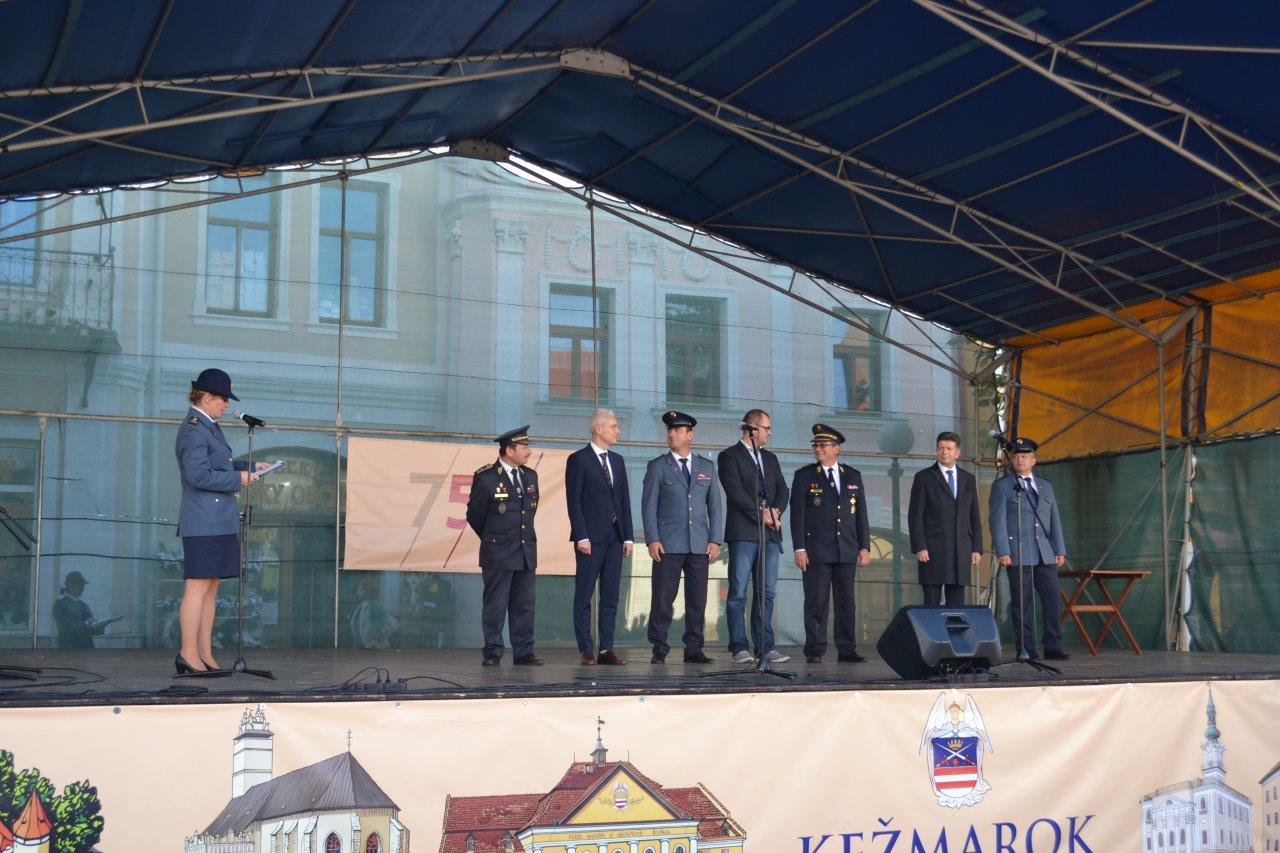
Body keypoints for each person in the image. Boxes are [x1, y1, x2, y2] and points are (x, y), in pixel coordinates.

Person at [174, 368, 269, 676]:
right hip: (203, 520)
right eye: (223, 399)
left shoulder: (208, 427)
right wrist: (239, 478)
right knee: (197, 586)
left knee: (211, 587)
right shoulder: (193, 429)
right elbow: (198, 475)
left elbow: (218, 465)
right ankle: (188, 653)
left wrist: (250, 466)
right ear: (206, 397)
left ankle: (204, 652)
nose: (227, 405)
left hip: (217, 520)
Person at [641, 411, 724, 664]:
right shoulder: (658, 466)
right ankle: (659, 648)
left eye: (677, 430)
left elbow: (715, 507)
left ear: (690, 435)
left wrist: (715, 540)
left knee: (697, 600)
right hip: (668, 544)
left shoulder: (706, 467)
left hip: (699, 543)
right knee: (663, 599)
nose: (672, 434)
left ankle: (694, 648)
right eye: (669, 430)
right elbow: (648, 507)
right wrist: (652, 539)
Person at [789, 424, 871, 664]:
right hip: (817, 550)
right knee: (816, 602)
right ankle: (815, 649)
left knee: (846, 604)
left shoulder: (852, 476)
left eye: (823, 445)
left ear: (837, 449)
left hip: (846, 548)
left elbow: (861, 515)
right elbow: (797, 516)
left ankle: (847, 649)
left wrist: (864, 546)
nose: (818, 449)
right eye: (816, 445)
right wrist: (799, 548)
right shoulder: (804, 476)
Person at [717, 409, 790, 664]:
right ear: (752, 428)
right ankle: (739, 647)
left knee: (766, 592)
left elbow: (783, 489)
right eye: (766, 428)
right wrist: (762, 514)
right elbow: (735, 492)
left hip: (770, 535)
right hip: (744, 534)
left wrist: (776, 510)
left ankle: (764, 646)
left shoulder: (770, 458)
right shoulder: (729, 456)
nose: (770, 432)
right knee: (738, 591)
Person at [465, 425, 542, 666]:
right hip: (498, 553)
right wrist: (494, 538)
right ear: (509, 450)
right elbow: (475, 516)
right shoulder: (487, 478)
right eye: (524, 447)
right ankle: (492, 652)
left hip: (525, 551)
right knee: (495, 605)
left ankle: (524, 652)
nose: (529, 451)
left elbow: (529, 513)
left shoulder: (530, 476)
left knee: (524, 605)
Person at [988, 437, 1070, 661]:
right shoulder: (1003, 486)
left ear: (1033, 460)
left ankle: (1053, 647)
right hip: (1018, 551)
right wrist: (1003, 551)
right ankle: (1027, 648)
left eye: (1024, 456)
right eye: (1016, 456)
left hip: (1045, 552)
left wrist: (1059, 549)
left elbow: (1054, 519)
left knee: (1053, 599)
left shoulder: (1045, 485)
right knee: (1022, 604)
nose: (1019, 460)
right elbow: (997, 521)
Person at [565, 409, 633, 665]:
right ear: (598, 429)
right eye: (614, 426)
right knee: (584, 594)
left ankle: (606, 649)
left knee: (611, 595)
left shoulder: (618, 460)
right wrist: (581, 535)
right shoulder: (579, 459)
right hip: (590, 539)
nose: (618, 430)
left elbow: (623, 500)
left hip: (615, 537)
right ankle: (586, 649)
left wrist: (628, 536)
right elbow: (574, 502)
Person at [907, 431, 983, 607]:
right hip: (933, 549)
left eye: (949, 448)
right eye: (941, 448)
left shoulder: (968, 479)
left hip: (961, 549)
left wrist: (976, 548)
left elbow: (974, 515)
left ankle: (954, 627)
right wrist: (920, 546)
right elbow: (915, 515)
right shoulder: (924, 477)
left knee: (956, 604)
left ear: (957, 453)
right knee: (931, 603)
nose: (944, 452)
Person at [51, 571, 104, 650]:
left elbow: (91, 627)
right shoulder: (60, 604)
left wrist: (99, 626)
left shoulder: (83, 605)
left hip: (87, 648)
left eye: (82, 585)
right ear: (70, 586)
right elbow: (65, 627)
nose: (82, 588)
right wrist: (86, 623)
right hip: (69, 648)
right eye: (80, 585)